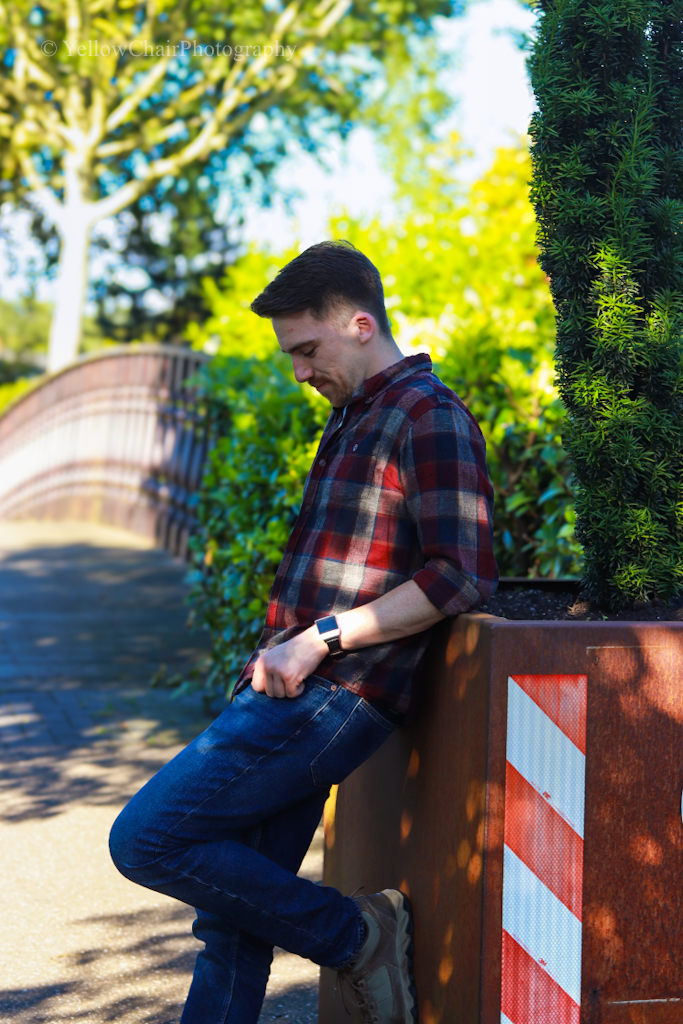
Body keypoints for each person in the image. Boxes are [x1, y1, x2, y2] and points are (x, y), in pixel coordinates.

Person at [109, 240, 498, 1024]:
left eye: (307, 349)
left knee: (145, 839)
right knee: (232, 926)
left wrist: (319, 637)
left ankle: (354, 935)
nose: (298, 371)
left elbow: (459, 576)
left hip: (333, 696)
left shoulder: (428, 416)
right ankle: (351, 936)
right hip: (292, 687)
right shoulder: (356, 413)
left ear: (360, 324)